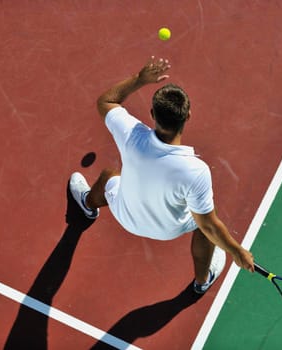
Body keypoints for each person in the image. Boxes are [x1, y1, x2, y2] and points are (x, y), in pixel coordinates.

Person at [70, 56, 254, 294]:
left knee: (108, 176)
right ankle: (201, 280)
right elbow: (209, 226)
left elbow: (106, 101)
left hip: (126, 215)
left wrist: (140, 79)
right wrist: (237, 251)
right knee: (204, 228)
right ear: (187, 117)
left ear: (152, 114)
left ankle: (87, 205)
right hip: (169, 229)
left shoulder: (132, 134)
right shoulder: (196, 171)